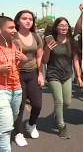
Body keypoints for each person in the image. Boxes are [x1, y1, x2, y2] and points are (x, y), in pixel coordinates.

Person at [13, 10, 44, 147]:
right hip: (17, 74)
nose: (28, 21)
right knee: (19, 107)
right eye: (24, 18)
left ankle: (31, 124)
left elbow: (39, 57)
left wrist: (41, 74)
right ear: (18, 20)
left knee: (37, 105)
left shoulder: (36, 36)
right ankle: (18, 133)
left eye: (30, 19)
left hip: (33, 74)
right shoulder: (13, 37)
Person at [42, 17, 75, 139]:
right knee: (59, 101)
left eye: (66, 25)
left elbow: (75, 59)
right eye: (61, 25)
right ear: (56, 27)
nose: (64, 27)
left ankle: (57, 114)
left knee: (67, 102)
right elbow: (44, 61)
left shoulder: (71, 41)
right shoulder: (50, 41)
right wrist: (48, 50)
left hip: (66, 75)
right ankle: (61, 126)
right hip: (53, 74)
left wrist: (80, 76)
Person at [0, 16, 27, 152]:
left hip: (16, 89)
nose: (14, 30)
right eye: (10, 27)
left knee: (12, 118)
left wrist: (24, 59)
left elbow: (20, 64)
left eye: (14, 27)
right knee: (5, 130)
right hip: (1, 91)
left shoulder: (16, 44)